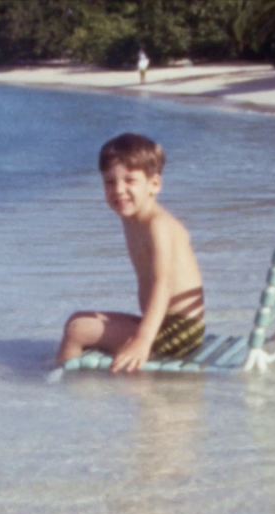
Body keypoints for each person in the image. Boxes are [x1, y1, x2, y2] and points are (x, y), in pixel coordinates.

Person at [56, 133, 206, 373]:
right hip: (163, 323)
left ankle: (59, 383)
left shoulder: (158, 225)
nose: (119, 190)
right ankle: (73, 378)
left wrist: (142, 340)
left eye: (130, 180)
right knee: (76, 319)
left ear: (154, 185)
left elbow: (163, 285)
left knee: (78, 330)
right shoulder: (132, 219)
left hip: (179, 332)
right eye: (109, 182)